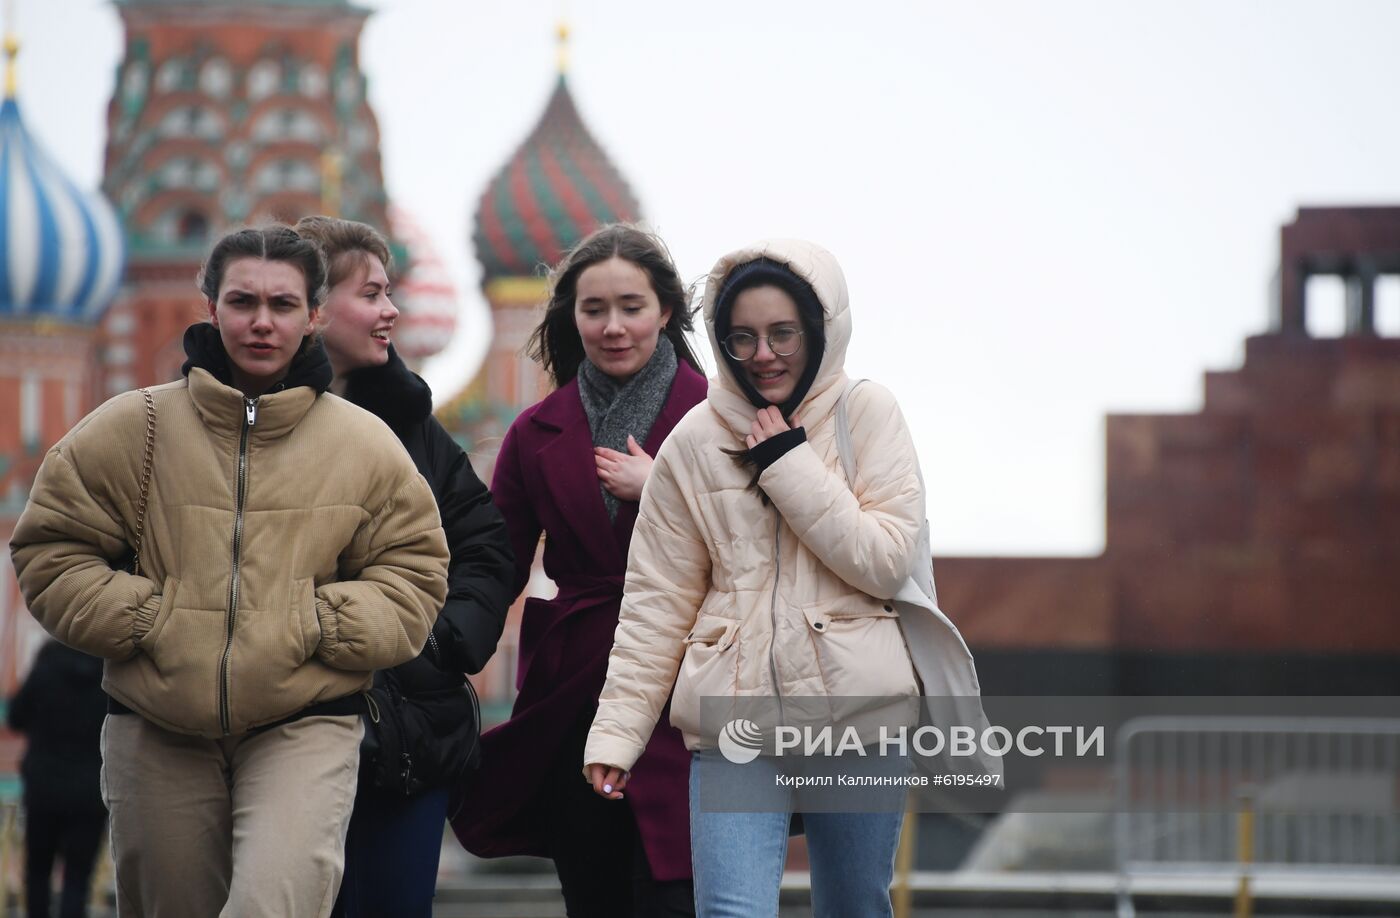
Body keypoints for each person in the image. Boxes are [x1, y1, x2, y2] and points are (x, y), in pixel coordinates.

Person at [9, 224, 449, 918]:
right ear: (211, 308)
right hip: (158, 725)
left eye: (282, 304)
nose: (262, 322)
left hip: (304, 722)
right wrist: (151, 620)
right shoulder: (132, 428)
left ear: (314, 316)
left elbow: (415, 572)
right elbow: (50, 550)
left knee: (273, 902)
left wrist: (313, 623)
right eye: (243, 302)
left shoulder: (363, 445)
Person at [584, 240, 927, 917]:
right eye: (741, 338)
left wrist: (786, 463)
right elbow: (656, 603)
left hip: (859, 721)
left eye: (782, 334)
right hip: (735, 721)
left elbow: (886, 560)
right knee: (729, 912)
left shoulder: (869, 414)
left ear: (820, 330)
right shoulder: (692, 441)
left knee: (854, 906)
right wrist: (617, 733)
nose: (763, 354)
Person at [451, 224, 707, 917]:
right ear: (571, 317)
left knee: (679, 893)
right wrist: (430, 654)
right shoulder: (535, 431)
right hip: (575, 694)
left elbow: (761, 548)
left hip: (694, 691)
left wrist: (663, 487)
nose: (614, 326)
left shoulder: (720, 419)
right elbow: (494, 565)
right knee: (592, 895)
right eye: (595, 310)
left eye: (632, 306)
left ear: (666, 312)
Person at [292, 215, 515, 918]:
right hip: (287, 726)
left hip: (411, 734)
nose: (392, 311)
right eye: (372, 294)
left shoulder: (412, 423)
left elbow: (485, 543)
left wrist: (444, 640)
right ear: (314, 308)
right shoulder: (245, 420)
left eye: (392, 293)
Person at [8, 640, 108, 918]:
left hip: (44, 787)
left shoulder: (46, 667)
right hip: (90, 790)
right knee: (78, 877)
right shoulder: (108, 675)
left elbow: (16, 717)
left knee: (38, 871)